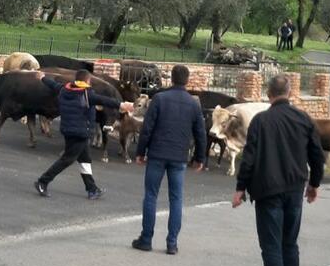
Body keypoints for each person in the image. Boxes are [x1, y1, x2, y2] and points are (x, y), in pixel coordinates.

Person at [232, 75, 324, 266]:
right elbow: (317, 155)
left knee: (271, 245)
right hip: (295, 188)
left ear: (268, 94)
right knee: (290, 242)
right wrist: (314, 184)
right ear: (290, 92)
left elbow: (249, 157)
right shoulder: (304, 119)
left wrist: (240, 188)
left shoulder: (261, 121)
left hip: (267, 189)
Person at [132, 65, 208, 255]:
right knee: (176, 199)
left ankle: (146, 238)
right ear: (187, 80)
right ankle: (172, 242)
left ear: (171, 79)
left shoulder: (159, 99)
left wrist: (140, 151)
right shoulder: (193, 104)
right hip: (179, 156)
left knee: (150, 195)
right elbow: (200, 133)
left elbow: (147, 128)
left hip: (157, 153)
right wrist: (200, 157)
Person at [34, 70, 132, 200]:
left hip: (68, 130)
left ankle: (92, 189)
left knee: (85, 159)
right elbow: (104, 100)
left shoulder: (64, 89)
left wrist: (42, 78)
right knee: (67, 159)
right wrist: (122, 104)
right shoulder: (87, 94)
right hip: (80, 132)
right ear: (87, 81)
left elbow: (53, 85)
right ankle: (43, 181)